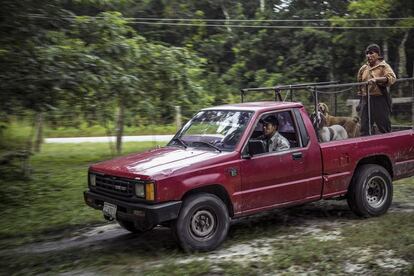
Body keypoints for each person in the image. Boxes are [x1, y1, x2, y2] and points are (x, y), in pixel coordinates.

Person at [357, 43, 396, 135]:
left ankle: (388, 146)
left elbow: (392, 78)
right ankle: (367, 147)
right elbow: (359, 85)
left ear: (378, 54)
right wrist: (361, 101)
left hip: (379, 99)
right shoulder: (363, 68)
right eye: (367, 53)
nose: (368, 56)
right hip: (366, 99)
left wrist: (377, 79)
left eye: (371, 53)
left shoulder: (384, 66)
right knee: (364, 127)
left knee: (383, 126)